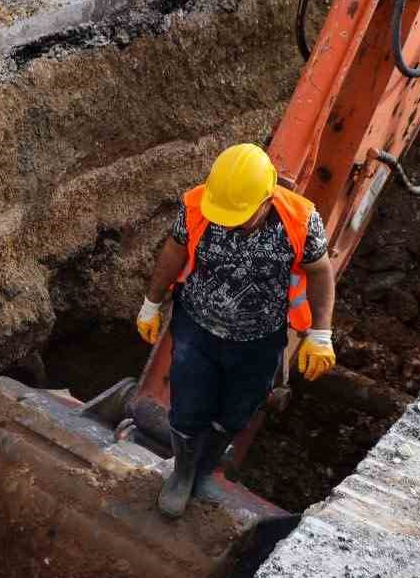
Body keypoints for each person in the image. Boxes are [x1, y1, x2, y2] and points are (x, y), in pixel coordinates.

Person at [135, 143, 337, 517]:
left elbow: (320, 271)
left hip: (259, 341)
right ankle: (182, 473)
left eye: (238, 216)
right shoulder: (197, 206)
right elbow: (174, 252)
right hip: (197, 330)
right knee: (187, 409)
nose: (227, 222)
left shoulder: (300, 219)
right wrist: (151, 304)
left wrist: (320, 334)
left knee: (235, 413)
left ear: (266, 198)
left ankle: (204, 471)